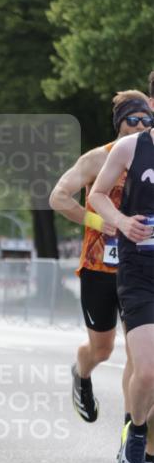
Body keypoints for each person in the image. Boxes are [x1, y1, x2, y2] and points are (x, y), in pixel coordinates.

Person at [49, 90, 153, 424]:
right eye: (131, 119)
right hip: (99, 267)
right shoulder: (100, 158)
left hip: (137, 267)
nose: (138, 125)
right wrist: (98, 220)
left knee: (138, 358)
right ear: (118, 123)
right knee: (102, 349)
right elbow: (59, 197)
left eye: (144, 119)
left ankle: (130, 426)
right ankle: (81, 371)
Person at [90, 112, 154, 463]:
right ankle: (137, 427)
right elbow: (98, 193)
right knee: (146, 372)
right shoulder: (133, 146)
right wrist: (120, 220)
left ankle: (151, 457)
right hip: (139, 272)